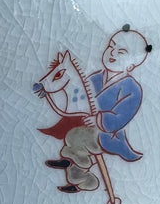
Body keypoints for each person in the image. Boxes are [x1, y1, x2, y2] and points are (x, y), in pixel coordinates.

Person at [44, 27, 151, 194]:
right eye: (111, 46)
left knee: (77, 136)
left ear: (131, 65)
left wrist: (100, 120)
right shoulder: (95, 78)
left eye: (121, 52)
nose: (112, 53)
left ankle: (72, 161)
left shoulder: (132, 89)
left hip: (110, 134)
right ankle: (83, 177)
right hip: (88, 127)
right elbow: (80, 98)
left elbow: (122, 116)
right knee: (76, 134)